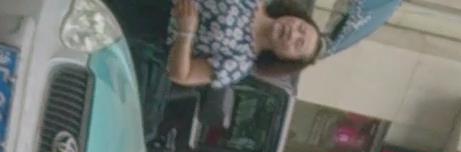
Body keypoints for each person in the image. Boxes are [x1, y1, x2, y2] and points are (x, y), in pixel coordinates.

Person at [113, 0, 324, 90]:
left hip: (148, 25)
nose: (293, 33)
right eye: (301, 27)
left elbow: (180, 75)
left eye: (298, 43)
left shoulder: (240, 63)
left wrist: (186, 32)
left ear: (285, 59)